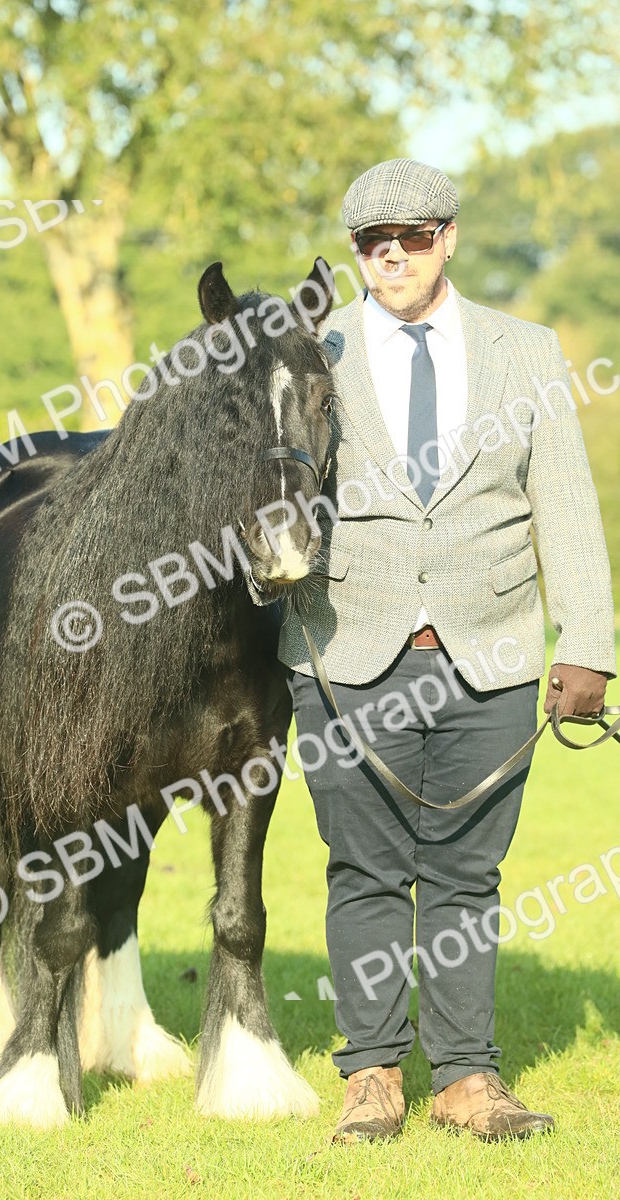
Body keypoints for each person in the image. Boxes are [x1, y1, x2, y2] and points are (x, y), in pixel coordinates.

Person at [279, 158, 617, 1142]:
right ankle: (372, 1077)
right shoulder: (314, 347)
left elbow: (562, 503)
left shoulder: (526, 350)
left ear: (447, 238)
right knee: (364, 870)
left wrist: (586, 641)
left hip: (492, 655)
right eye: (371, 242)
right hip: (342, 655)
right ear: (355, 252)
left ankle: (468, 1079)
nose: (392, 254)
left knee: (468, 876)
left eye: (413, 236)